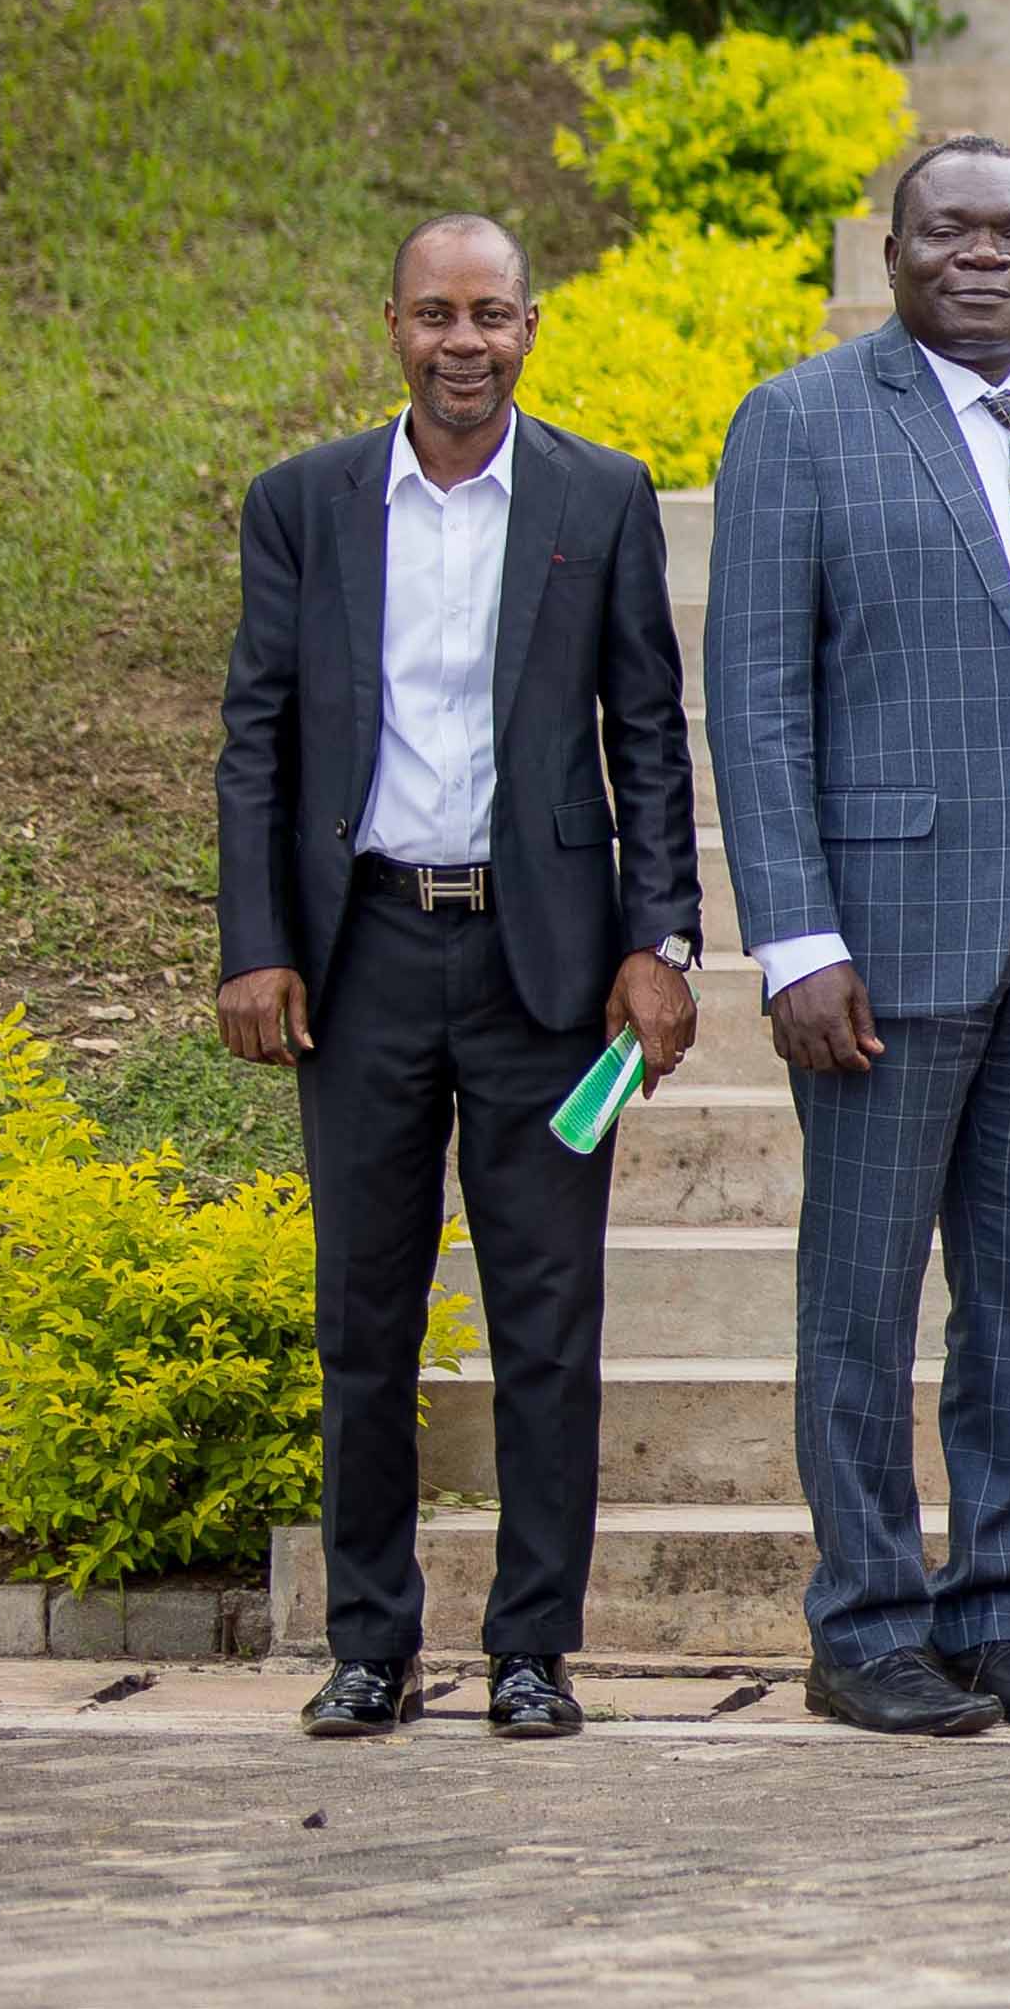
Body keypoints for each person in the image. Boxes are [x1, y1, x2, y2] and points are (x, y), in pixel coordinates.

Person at [218, 217, 697, 1740]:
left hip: (540, 966)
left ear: (533, 329)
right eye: (436, 315)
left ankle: (530, 1651)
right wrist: (256, 943)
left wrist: (660, 940)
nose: (463, 342)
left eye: (490, 315)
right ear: (393, 326)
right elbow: (258, 740)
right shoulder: (304, 504)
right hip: (358, 959)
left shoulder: (597, 497)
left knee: (548, 1316)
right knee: (362, 1316)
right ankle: (370, 1645)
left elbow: (648, 735)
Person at [707, 139, 1010, 1736]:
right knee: (866, 1292)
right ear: (892, 252)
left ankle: (991, 1611)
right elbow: (754, 707)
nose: (983, 253)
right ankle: (867, 1622)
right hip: (886, 934)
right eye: (947, 229)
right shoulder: (804, 421)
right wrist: (795, 940)